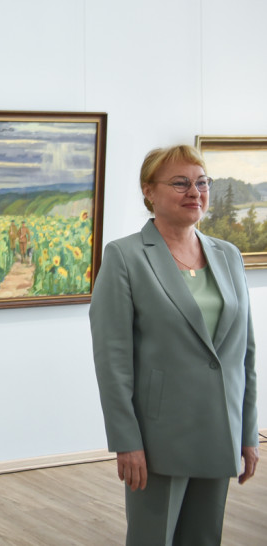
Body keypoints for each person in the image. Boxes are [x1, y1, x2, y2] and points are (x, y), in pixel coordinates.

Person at [90, 145, 258, 545]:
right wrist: (126, 441)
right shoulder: (125, 256)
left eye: (202, 183)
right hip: (158, 439)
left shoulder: (229, 255)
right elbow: (113, 361)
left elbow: (245, 354)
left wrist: (248, 432)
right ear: (149, 191)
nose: (194, 192)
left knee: (204, 538)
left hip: (219, 429)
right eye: (181, 183)